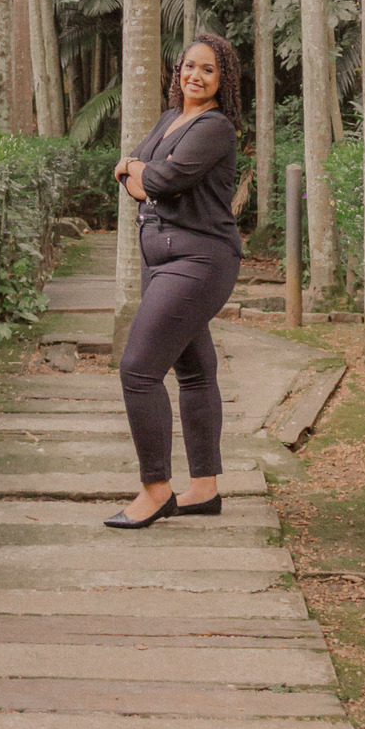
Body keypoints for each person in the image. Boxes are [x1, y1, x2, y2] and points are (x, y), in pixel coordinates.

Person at [104, 33, 244, 529]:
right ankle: (203, 489)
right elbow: (134, 172)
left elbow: (158, 182)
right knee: (195, 370)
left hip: (199, 260)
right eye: (189, 67)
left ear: (222, 79)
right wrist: (136, 171)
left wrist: (137, 172)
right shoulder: (170, 119)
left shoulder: (216, 128)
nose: (195, 76)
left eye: (208, 69)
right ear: (177, 72)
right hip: (160, 260)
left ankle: (156, 489)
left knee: (138, 370)